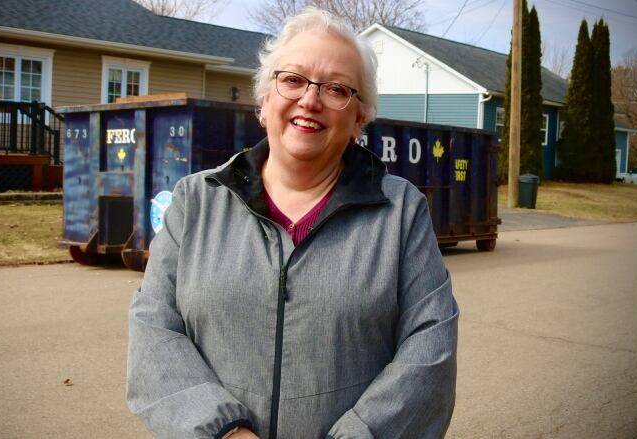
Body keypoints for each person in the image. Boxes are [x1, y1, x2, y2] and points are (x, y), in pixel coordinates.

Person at [127, 7, 458, 439]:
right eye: (293, 79)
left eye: (337, 88)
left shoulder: (400, 212)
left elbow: (431, 345)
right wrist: (224, 431)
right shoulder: (197, 200)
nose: (310, 100)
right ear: (265, 99)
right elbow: (154, 326)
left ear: (359, 118)